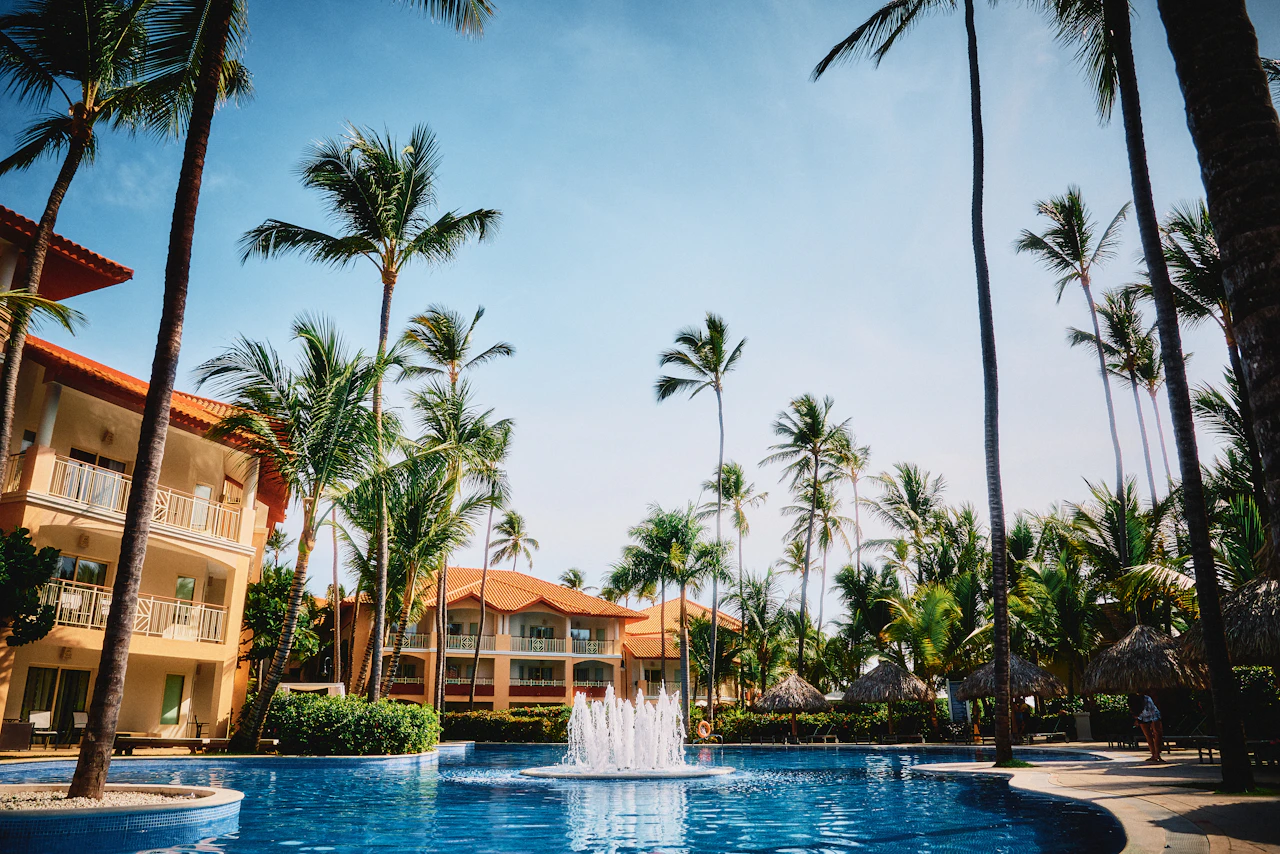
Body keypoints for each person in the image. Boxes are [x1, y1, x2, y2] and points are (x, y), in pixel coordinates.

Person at [1128, 693, 1163, 762]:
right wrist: (1138, 720)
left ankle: (1157, 754)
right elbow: (1135, 713)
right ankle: (1153, 755)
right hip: (1142, 717)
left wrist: (1154, 726)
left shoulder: (1147, 700)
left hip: (1153, 715)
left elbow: (1153, 713)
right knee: (1148, 735)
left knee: (1157, 734)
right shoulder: (1132, 704)